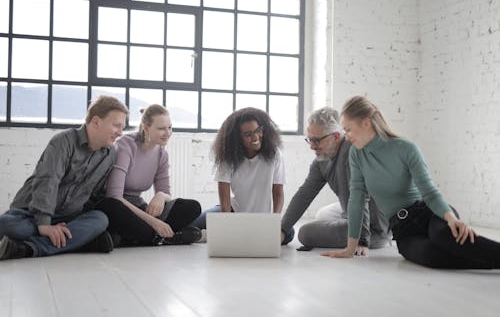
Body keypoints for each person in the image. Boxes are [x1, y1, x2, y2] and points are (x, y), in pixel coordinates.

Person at [322, 95, 500, 269]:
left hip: (429, 214)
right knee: (430, 255)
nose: (346, 137)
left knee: (443, 237)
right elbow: (357, 199)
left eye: (349, 129)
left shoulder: (405, 149)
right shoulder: (356, 154)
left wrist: (451, 219)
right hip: (403, 230)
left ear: (366, 123)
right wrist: (350, 247)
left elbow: (429, 192)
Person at [0, 96, 129, 261]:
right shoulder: (63, 141)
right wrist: (44, 224)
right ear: (96, 122)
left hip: (67, 218)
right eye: (116, 125)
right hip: (30, 212)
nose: (120, 132)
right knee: (7, 225)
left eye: (122, 127)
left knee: (100, 220)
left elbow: (95, 195)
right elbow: (47, 181)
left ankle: (26, 248)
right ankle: (77, 242)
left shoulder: (110, 154)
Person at [281, 107, 389, 252]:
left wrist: (361, 240)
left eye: (317, 140)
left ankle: (366, 235)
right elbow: (304, 194)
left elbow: (361, 198)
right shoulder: (321, 160)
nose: (312, 146)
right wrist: (282, 229)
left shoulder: (352, 153)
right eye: (310, 139)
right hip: (351, 210)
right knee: (322, 214)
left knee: (305, 233)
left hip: (374, 227)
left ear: (336, 136)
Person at [97, 104, 202, 247]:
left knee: (192, 207)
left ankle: (133, 237)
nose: (168, 133)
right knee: (113, 207)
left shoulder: (161, 154)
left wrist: (160, 196)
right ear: (146, 128)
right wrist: (155, 222)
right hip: (118, 206)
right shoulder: (125, 146)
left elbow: (167, 194)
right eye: (161, 128)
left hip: (139, 207)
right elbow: (114, 196)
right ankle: (163, 237)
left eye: (170, 127)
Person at [191, 107, 294, 244]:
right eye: (248, 134)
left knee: (289, 233)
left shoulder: (274, 155)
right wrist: (227, 222)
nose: (256, 137)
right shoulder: (228, 157)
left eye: (258, 131)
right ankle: (224, 234)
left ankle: (219, 235)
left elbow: (278, 192)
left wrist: (273, 221)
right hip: (234, 211)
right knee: (193, 224)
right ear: (237, 138)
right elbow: (224, 193)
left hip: (264, 217)